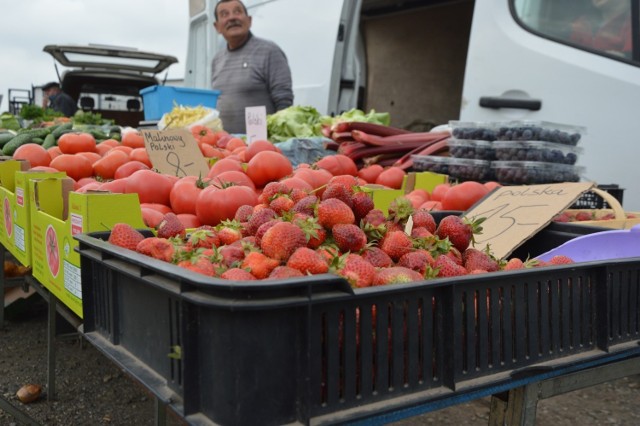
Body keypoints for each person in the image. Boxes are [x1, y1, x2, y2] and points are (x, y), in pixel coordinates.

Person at [211, 0, 293, 134]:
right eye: (224, 14)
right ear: (217, 27)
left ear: (249, 20)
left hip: (261, 147)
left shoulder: (270, 51)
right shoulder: (217, 60)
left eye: (237, 11)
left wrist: (278, 139)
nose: (232, 17)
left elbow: (284, 102)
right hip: (228, 147)